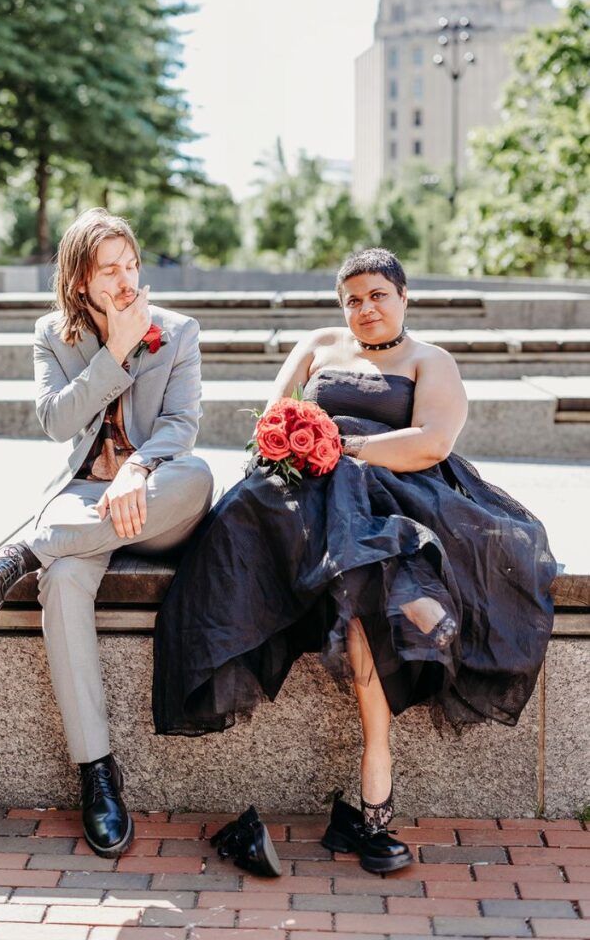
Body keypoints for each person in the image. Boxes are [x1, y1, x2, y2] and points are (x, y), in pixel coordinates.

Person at [152, 247, 556, 875]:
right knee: (268, 520)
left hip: (395, 493)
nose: (364, 309)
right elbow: (272, 422)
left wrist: (344, 445)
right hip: (301, 498)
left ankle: (377, 762)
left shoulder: (431, 361)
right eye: (352, 299)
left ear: (403, 298)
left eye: (377, 296)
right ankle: (373, 788)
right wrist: (303, 450)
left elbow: (432, 443)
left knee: (362, 560)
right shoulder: (317, 344)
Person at [0, 209, 213, 859]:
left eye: (132, 265)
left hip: (157, 498)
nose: (128, 281)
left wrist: (136, 469)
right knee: (65, 582)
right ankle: (97, 775)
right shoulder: (52, 334)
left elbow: (180, 427)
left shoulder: (178, 331)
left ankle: (20, 553)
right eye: (111, 271)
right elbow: (55, 421)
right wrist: (117, 351)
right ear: (79, 284)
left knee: (200, 476)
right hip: (82, 502)